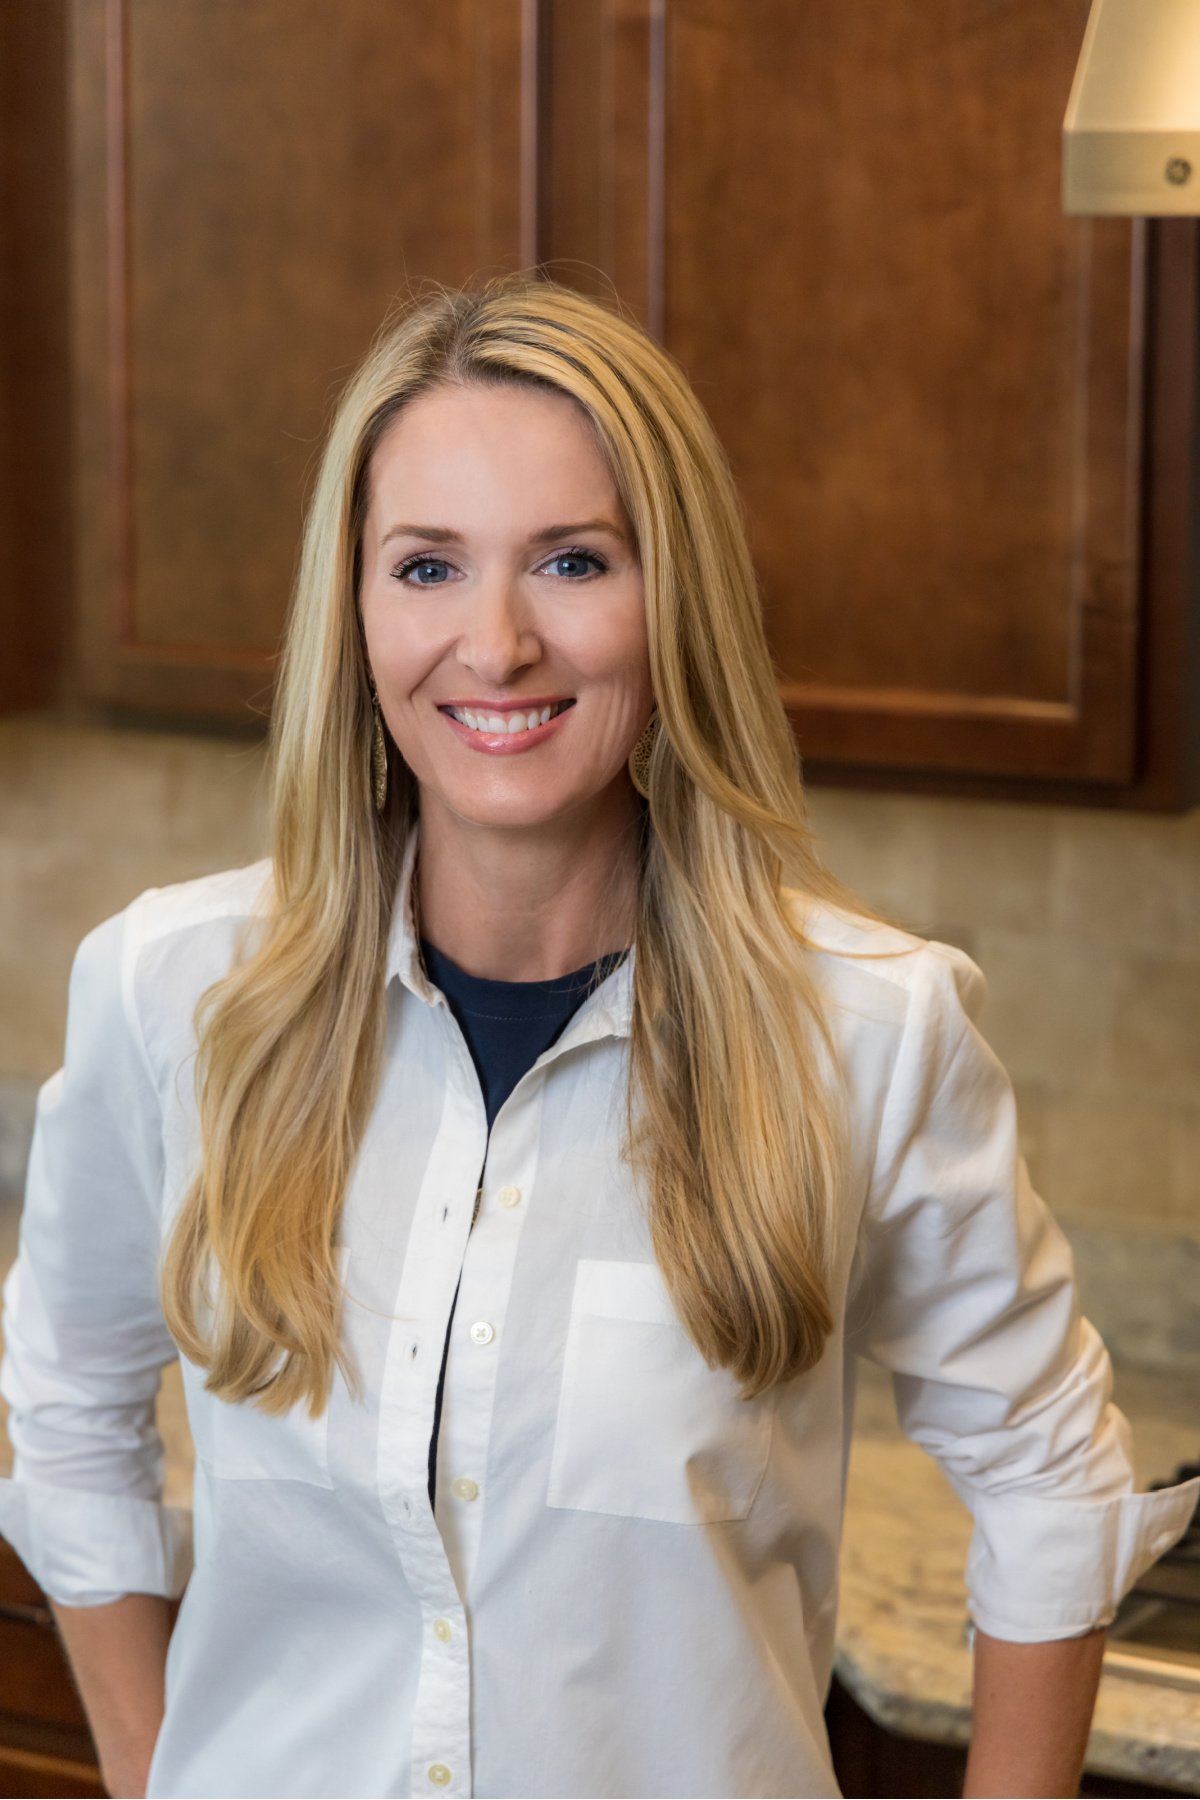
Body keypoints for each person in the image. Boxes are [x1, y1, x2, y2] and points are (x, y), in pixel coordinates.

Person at [0, 272, 1196, 1800]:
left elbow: (1049, 1477)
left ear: (671, 591)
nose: (494, 646)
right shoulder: (170, 994)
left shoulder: (869, 1031)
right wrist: (165, 1769)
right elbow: (68, 1412)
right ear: (353, 605)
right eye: (426, 567)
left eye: (571, 560)